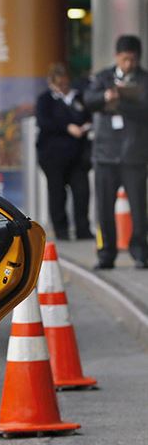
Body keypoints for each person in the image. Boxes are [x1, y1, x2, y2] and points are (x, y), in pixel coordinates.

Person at [83, 35, 148, 269]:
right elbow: (89, 100)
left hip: (134, 155)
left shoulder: (144, 80)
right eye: (124, 59)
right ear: (117, 57)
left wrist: (120, 102)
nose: (128, 64)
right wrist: (105, 97)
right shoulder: (103, 78)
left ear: (138, 58)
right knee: (104, 209)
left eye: (132, 59)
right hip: (105, 154)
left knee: (139, 208)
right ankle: (106, 254)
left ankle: (141, 253)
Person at [36, 63, 92, 241]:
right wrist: (68, 127)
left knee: (82, 192)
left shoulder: (79, 98)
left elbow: (89, 115)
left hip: (77, 156)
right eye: (59, 84)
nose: (63, 88)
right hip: (53, 156)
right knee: (57, 193)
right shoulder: (46, 99)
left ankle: (83, 228)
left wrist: (85, 127)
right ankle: (62, 230)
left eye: (65, 84)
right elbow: (44, 122)